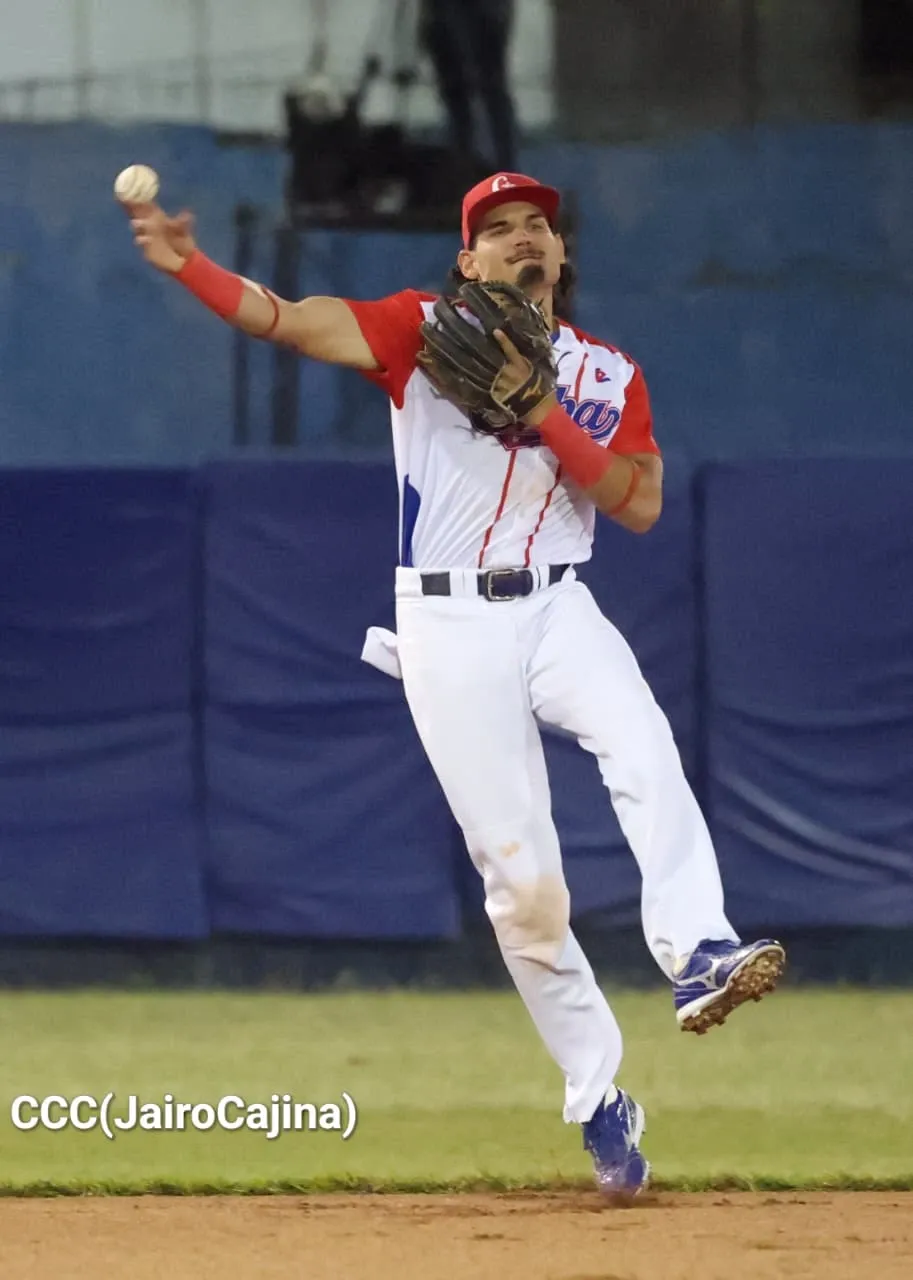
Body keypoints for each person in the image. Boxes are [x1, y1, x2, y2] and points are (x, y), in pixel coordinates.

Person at [124, 170, 785, 1198]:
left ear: (559, 256)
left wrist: (547, 414)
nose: (524, 238)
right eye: (499, 229)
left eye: (538, 227)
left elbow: (638, 504)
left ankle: (698, 946)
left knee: (639, 736)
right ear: (467, 258)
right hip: (446, 618)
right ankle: (598, 1095)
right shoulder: (419, 330)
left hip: (559, 599)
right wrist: (190, 266)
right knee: (522, 884)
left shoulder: (606, 374)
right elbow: (288, 320)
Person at [418, 0, 517, 173]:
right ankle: (466, 164)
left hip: (479, 13)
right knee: (459, 93)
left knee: (486, 91)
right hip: (451, 13)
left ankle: (498, 167)